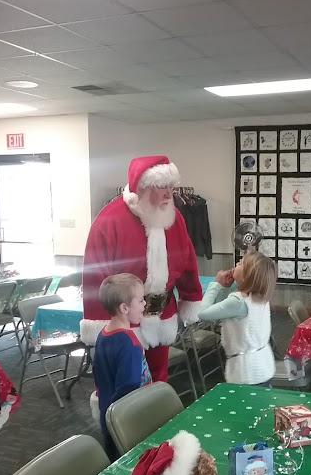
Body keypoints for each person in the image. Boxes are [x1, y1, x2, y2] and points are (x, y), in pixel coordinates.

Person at [81, 155, 202, 383]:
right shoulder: (110, 220)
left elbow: (188, 262)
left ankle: (160, 418)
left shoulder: (174, 218)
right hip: (124, 319)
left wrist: (191, 296)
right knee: (124, 383)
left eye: (170, 187)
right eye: (161, 187)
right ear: (143, 187)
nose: (169, 194)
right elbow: (93, 276)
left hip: (162, 311)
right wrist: (100, 320)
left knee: (159, 380)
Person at [92, 273, 152, 460]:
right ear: (124, 308)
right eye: (141, 300)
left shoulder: (103, 334)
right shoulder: (130, 344)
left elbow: (97, 374)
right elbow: (129, 388)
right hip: (126, 420)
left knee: (113, 459)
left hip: (107, 414)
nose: (144, 305)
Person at [198, 251, 276, 386]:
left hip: (246, 372)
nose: (236, 264)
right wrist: (224, 288)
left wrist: (215, 284)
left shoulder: (238, 301)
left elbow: (202, 313)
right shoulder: (259, 294)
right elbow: (222, 308)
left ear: (247, 276)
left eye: (241, 263)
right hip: (263, 366)